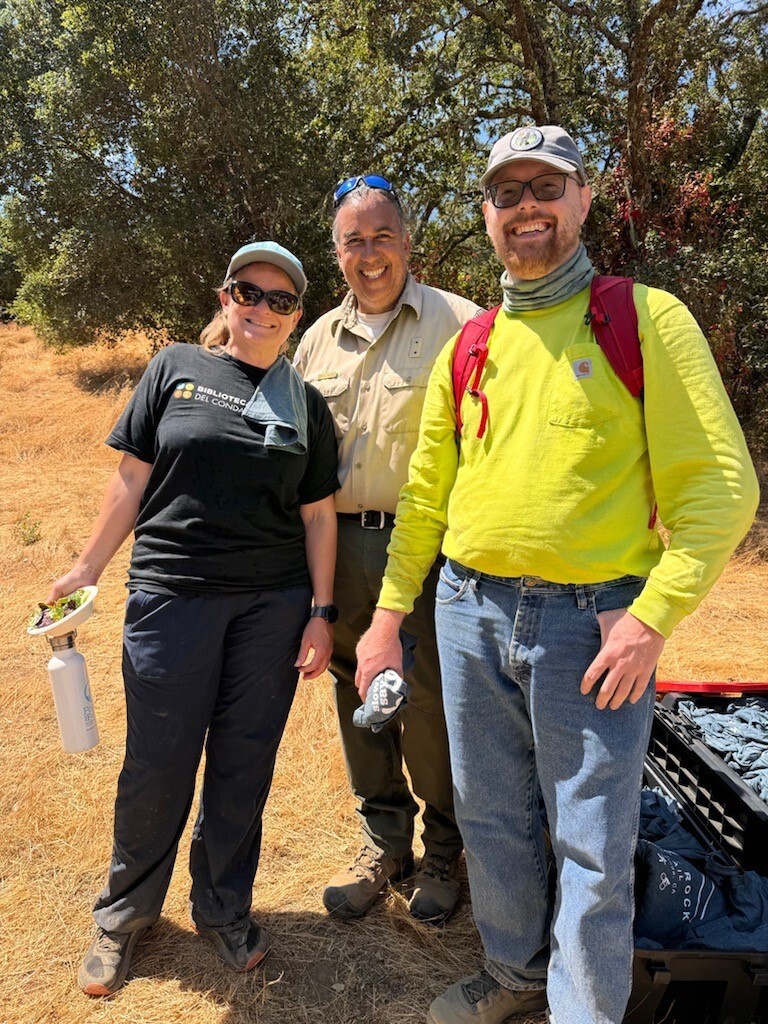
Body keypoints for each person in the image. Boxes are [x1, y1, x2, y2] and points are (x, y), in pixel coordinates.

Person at [355, 127, 760, 1024]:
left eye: (547, 186)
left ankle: (582, 1009)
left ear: (584, 199)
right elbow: (427, 496)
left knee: (591, 845)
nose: (526, 206)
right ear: (487, 215)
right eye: (506, 193)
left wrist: (651, 619)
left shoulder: (643, 318)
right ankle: (513, 976)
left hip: (595, 624)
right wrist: (387, 619)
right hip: (466, 609)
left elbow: (722, 489)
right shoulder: (473, 343)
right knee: (495, 823)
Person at [48, 241, 340, 996]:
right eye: (250, 291)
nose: (262, 308)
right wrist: (87, 566)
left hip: (270, 609)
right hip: (171, 595)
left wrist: (320, 612)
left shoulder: (305, 402)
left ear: (296, 316)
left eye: (281, 300)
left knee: (244, 766)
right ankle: (122, 916)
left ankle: (222, 907)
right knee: (158, 763)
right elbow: (131, 480)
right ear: (226, 298)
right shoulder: (175, 368)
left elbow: (318, 518)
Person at [294, 175, 480, 924]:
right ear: (337, 253)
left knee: (429, 703)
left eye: (382, 237)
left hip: (424, 551)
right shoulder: (313, 343)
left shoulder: (461, 325)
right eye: (353, 241)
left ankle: (445, 852)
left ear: (407, 242)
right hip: (337, 547)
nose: (369, 255)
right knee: (355, 693)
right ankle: (384, 843)